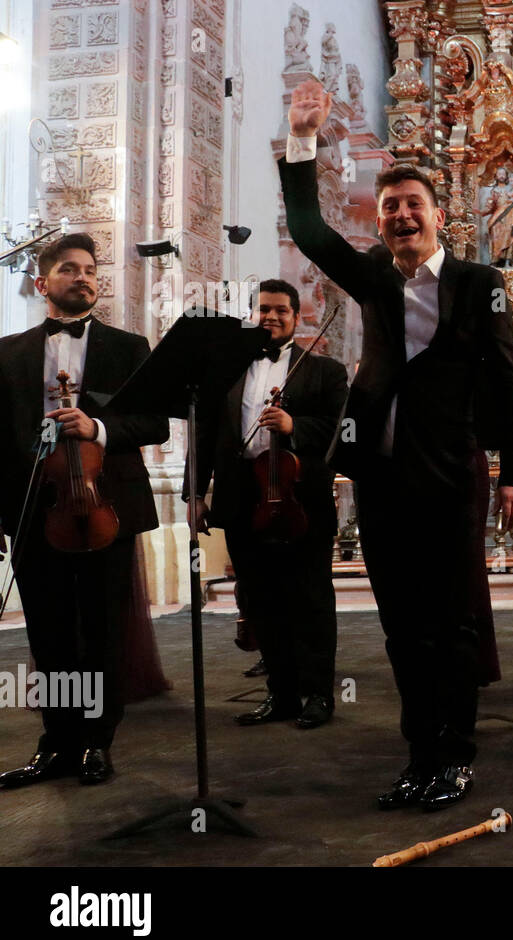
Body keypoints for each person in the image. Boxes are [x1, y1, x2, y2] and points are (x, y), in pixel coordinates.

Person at [280, 78, 513, 812]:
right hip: (382, 475)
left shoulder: (480, 283)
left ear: (439, 216)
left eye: (411, 204)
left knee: (452, 623)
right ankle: (419, 754)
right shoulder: (370, 279)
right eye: (389, 206)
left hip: (452, 472)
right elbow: (308, 228)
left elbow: (507, 383)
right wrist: (304, 138)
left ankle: (454, 758)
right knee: (402, 627)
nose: (399, 215)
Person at [0, 233, 169, 788]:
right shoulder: (7, 352)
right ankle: (57, 743)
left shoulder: (129, 346)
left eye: (91, 269)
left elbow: (154, 424)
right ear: (41, 282)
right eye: (69, 269)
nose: (84, 277)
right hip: (33, 509)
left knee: (101, 632)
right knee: (48, 634)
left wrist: (97, 428)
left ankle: (98, 741)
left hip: (105, 508)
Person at [190, 279, 348, 730]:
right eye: (263, 309)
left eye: (281, 310)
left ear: (297, 318)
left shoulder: (326, 371)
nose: (271, 317)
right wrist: (195, 494)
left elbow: (341, 428)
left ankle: (317, 695)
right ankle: (279, 694)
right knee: (261, 599)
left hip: (302, 500)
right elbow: (203, 437)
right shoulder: (224, 372)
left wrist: (295, 424)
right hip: (243, 498)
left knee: (311, 599)